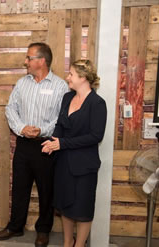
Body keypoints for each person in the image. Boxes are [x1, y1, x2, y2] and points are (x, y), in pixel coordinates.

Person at [0, 43, 69, 247]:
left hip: (47, 145)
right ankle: (15, 226)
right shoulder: (22, 83)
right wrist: (22, 128)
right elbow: (11, 109)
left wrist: (41, 131)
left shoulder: (61, 86)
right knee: (19, 187)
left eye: (29, 58)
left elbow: (61, 118)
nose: (25, 62)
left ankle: (43, 230)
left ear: (41, 61)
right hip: (24, 144)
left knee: (47, 190)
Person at [41, 59, 107, 247]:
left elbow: (96, 136)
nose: (67, 77)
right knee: (65, 207)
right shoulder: (67, 98)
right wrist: (52, 142)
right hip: (63, 164)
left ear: (83, 78)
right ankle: (67, 243)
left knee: (83, 210)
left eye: (71, 74)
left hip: (84, 167)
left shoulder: (97, 103)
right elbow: (60, 126)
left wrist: (62, 143)